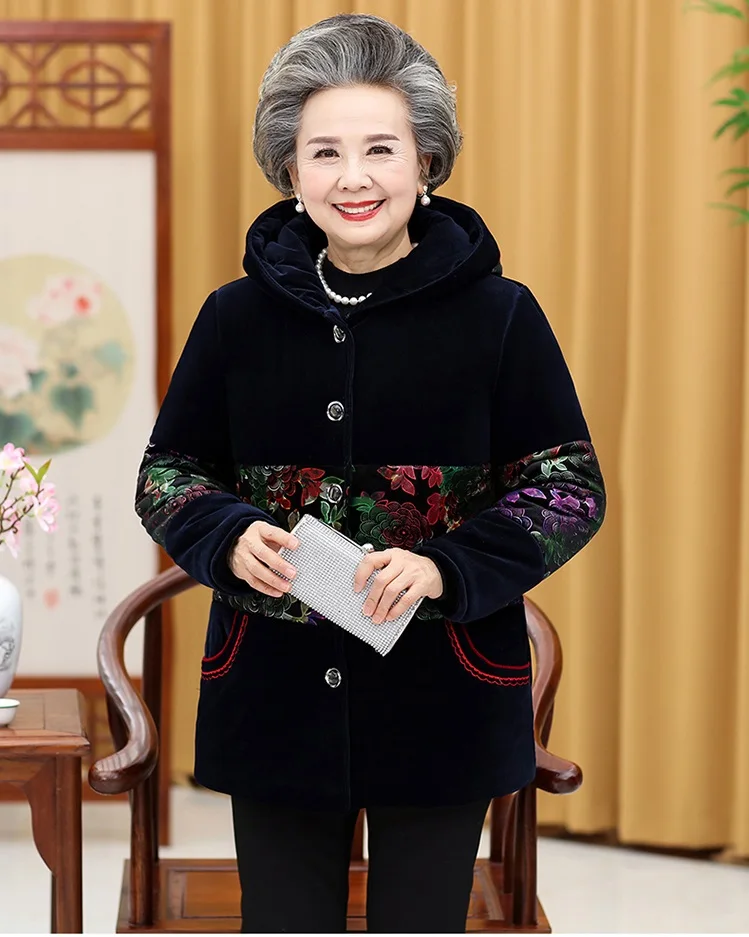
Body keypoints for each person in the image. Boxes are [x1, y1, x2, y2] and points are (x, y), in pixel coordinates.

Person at [135, 12, 606, 934]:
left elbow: (567, 486)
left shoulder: (500, 316)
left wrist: (445, 567)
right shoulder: (234, 318)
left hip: (445, 693)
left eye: (380, 149)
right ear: (290, 170)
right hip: (271, 690)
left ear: (425, 161)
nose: (353, 177)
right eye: (325, 153)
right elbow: (169, 472)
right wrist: (225, 534)